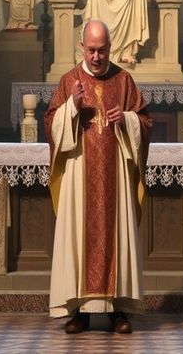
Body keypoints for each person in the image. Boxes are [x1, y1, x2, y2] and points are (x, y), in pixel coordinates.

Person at [44, 19, 152, 334]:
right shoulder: (69, 81)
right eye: (91, 50)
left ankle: (119, 310)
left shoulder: (124, 80)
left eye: (102, 50)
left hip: (115, 178)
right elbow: (50, 125)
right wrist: (71, 108)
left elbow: (145, 122)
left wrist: (128, 121)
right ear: (82, 47)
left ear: (110, 48)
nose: (96, 57)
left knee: (117, 233)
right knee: (78, 236)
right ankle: (79, 311)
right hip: (79, 177)